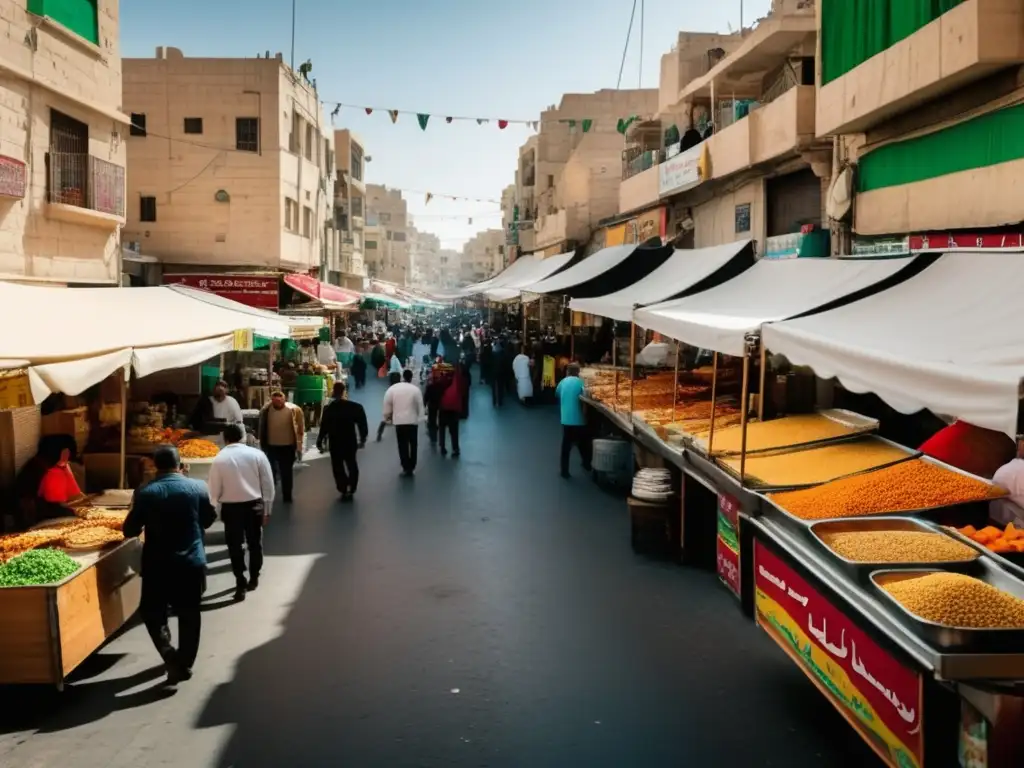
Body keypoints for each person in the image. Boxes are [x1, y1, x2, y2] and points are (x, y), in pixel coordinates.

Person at [124, 446, 215, 685]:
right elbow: (208, 519)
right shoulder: (198, 487)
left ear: (155, 466)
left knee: (152, 611)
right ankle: (183, 661)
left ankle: (168, 652)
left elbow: (129, 529)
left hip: (158, 564)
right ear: (180, 464)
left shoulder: (146, 492)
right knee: (190, 614)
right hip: (192, 562)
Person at [207, 424, 274, 602]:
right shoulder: (257, 455)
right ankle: (254, 577)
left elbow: (214, 489)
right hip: (254, 506)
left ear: (225, 439)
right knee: (255, 543)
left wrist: (213, 508)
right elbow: (268, 484)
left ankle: (240, 581)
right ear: (243, 437)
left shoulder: (219, 458)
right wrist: (267, 509)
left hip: (231, 508)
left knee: (234, 546)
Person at [317, 381, 368, 501]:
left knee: (337, 466)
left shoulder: (329, 409)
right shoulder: (354, 407)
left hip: (335, 441)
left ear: (333, 392)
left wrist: (320, 440)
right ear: (344, 391)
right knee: (352, 464)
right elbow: (362, 423)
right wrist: (363, 438)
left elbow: (324, 427)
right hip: (350, 440)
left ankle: (343, 487)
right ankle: (352, 486)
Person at [257, 390, 305, 503]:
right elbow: (261, 427)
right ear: (271, 400)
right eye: (275, 398)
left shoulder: (293, 410)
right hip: (271, 446)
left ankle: (287, 495)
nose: (278, 400)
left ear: (284, 399)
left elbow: (300, 429)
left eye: (280, 398)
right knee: (270, 471)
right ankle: (270, 494)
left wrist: (299, 446)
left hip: (287, 446)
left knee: (286, 472)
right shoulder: (266, 411)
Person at [382, 368, 424, 477]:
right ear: (411, 377)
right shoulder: (416, 390)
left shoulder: (393, 389)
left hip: (399, 422)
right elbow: (420, 405)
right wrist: (421, 418)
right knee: (413, 444)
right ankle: (412, 465)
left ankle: (405, 466)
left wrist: (387, 417)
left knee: (402, 445)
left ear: (403, 377)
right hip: (412, 421)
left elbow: (387, 404)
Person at [556, 363, 592, 478]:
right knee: (583, 443)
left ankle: (564, 471)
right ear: (578, 372)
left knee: (566, 446)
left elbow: (557, 394)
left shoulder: (562, 382)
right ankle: (587, 464)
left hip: (566, 419)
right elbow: (586, 396)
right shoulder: (581, 382)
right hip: (579, 419)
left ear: (567, 372)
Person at [438, 365, 464, 458]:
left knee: (442, 428)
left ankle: (442, 447)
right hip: (454, 408)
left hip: (443, 407)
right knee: (454, 430)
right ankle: (455, 448)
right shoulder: (456, 379)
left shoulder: (442, 379)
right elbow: (462, 390)